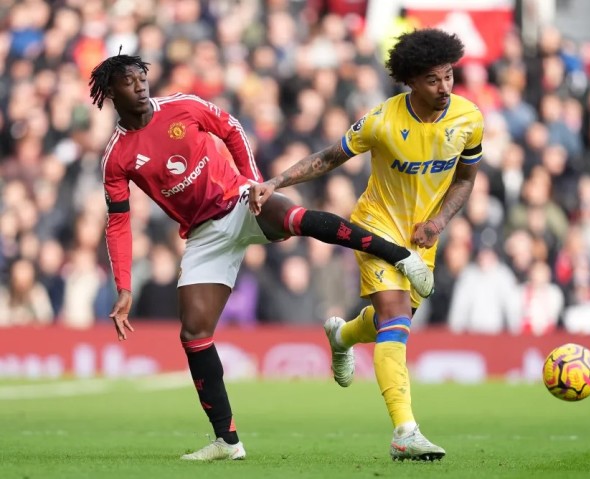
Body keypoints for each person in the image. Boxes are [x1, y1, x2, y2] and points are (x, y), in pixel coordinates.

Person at [89, 54, 434, 461]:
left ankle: (400, 258)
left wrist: (254, 181)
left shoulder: (182, 105)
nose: (141, 85)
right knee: (193, 333)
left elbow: (231, 128)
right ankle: (228, 442)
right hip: (203, 236)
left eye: (141, 77)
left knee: (296, 217)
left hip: (238, 201)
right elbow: (118, 223)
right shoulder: (117, 157)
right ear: (111, 93)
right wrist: (124, 286)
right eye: (129, 81)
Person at [250, 28, 484, 461]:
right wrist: (276, 181)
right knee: (396, 322)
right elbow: (327, 157)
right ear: (410, 80)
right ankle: (405, 431)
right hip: (376, 227)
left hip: (423, 236)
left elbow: (466, 180)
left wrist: (439, 221)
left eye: (449, 76)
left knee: (387, 321)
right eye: (433, 79)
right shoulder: (382, 120)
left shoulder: (469, 118)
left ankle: (342, 335)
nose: (444, 88)